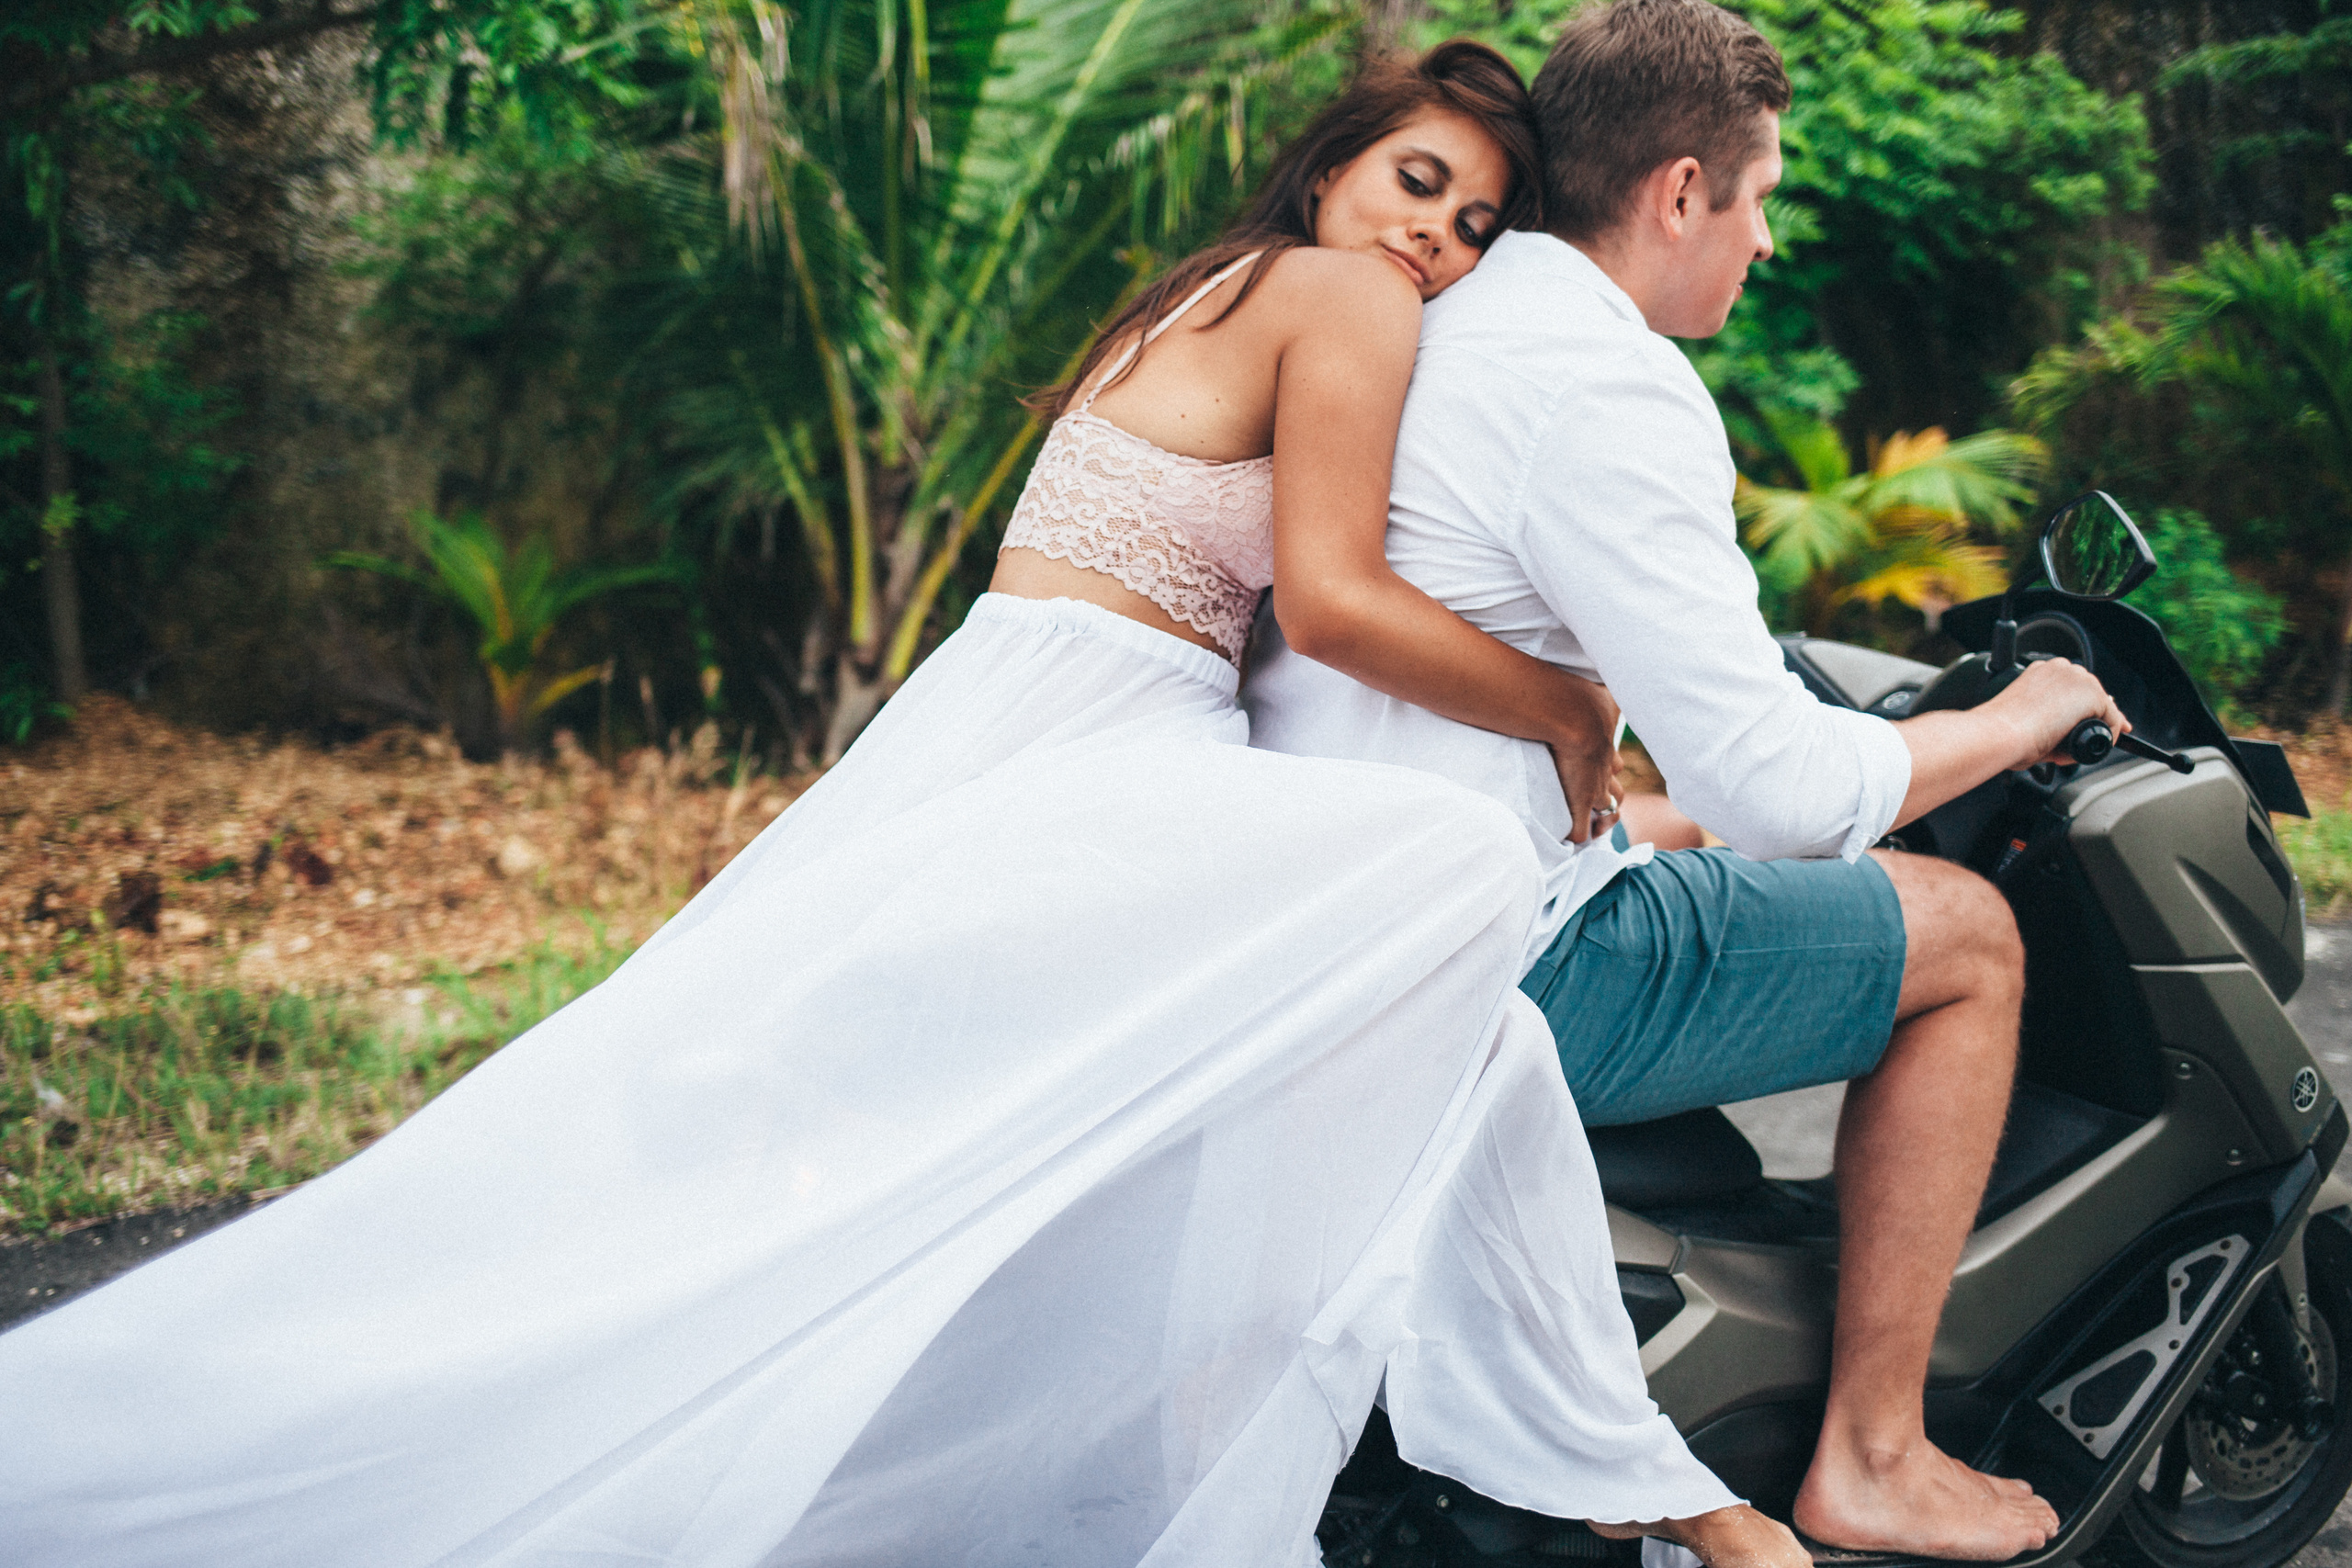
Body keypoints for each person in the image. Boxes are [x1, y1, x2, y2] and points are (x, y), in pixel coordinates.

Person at [0, 44, 1787, 1568]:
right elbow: (1326, 600)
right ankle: (1608, 1490)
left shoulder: (1201, 289)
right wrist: (1568, 703)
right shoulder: (1332, 296)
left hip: (1012, 710)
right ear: (1332, 163)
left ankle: (1606, 1481)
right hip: (1107, 735)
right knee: (1442, 888)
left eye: (1473, 222)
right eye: (1415, 180)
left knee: (968, 1139)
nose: (1431, 235)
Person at [1243, 4, 2130, 1562]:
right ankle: (1877, 1448)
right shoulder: (1610, 383)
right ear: (1676, 192)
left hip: (1345, 895)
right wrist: (2024, 712)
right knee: (1971, 938)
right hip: (1492, 958)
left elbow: (1607, 640)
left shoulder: (1455, 307)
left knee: (1678, 828)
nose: (1768, 238)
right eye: (1761, 192)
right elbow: (1791, 790)